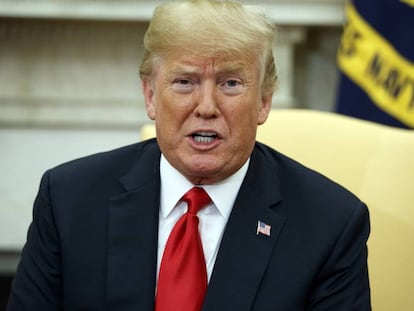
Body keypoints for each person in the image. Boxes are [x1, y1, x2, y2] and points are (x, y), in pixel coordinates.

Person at [7, 0, 371, 310]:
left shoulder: (330, 223)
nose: (207, 107)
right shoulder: (69, 199)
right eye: (185, 82)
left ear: (263, 101)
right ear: (150, 96)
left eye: (231, 83)